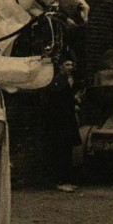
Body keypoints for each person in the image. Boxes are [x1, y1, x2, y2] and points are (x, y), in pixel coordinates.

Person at [42, 56, 83, 192]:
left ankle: (66, 179)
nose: (70, 67)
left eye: (71, 65)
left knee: (67, 150)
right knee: (60, 151)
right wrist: (72, 104)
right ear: (60, 67)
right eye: (67, 65)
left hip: (68, 120)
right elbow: (58, 102)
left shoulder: (71, 80)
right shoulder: (58, 82)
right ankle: (60, 181)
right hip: (60, 122)